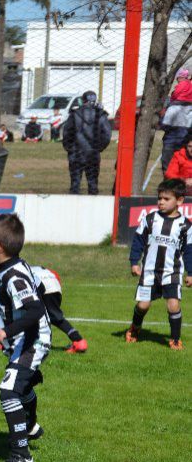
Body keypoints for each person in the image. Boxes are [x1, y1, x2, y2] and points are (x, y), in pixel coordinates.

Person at [0, 213, 50, 462]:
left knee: (8, 392)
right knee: (21, 387)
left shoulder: (13, 276)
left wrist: (6, 332)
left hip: (32, 341)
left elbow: (34, 310)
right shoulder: (12, 268)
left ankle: (22, 455)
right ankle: (31, 427)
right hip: (26, 340)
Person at [125, 178, 192, 350]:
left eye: (166, 199)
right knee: (143, 305)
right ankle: (135, 328)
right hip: (149, 271)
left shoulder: (185, 225)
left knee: (173, 305)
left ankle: (175, 339)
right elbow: (138, 241)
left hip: (172, 273)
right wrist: (134, 262)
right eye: (159, 198)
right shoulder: (150, 219)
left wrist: (190, 273)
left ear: (179, 201)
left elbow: (189, 251)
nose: (161, 202)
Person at [61, 90, 112, 195]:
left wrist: (69, 148)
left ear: (83, 100)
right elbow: (107, 135)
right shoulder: (101, 114)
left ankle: (73, 207)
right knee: (93, 184)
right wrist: (99, 148)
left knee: (75, 184)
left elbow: (66, 133)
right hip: (93, 152)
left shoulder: (75, 114)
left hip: (76, 152)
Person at [31, 266, 87, 354]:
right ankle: (79, 341)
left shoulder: (16, 270)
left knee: (28, 314)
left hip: (42, 286)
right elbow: (55, 275)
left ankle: (11, 340)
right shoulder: (36, 268)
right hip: (55, 285)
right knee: (54, 317)